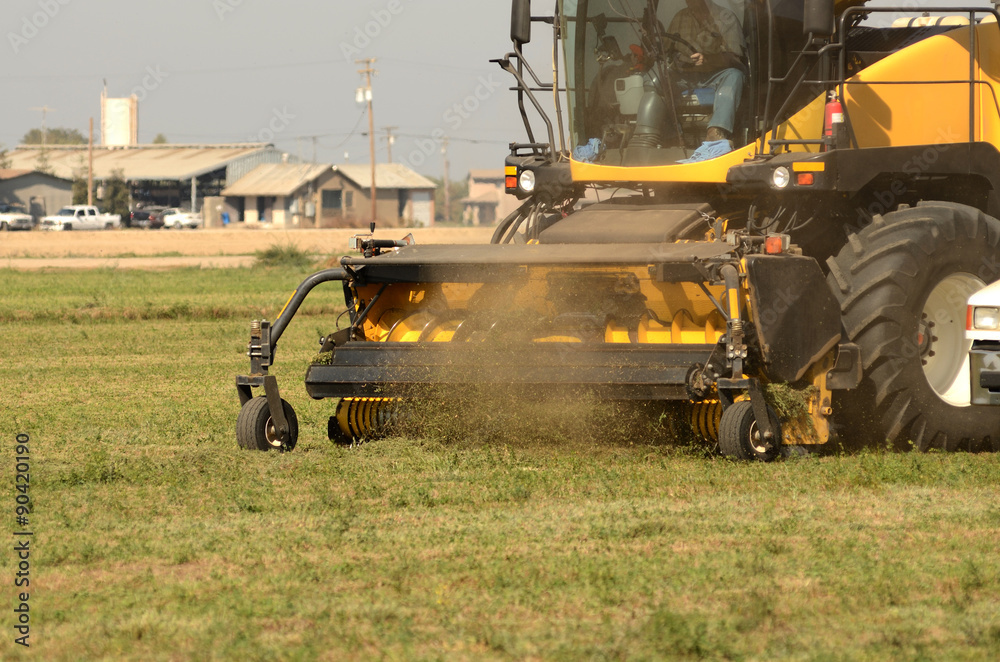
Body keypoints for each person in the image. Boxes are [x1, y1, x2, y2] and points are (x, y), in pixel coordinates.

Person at [629, 0, 746, 162]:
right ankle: (650, 138)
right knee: (655, 78)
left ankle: (716, 136)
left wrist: (707, 60)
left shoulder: (727, 18)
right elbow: (665, 51)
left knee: (735, 75)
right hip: (685, 76)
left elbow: (734, 58)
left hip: (716, 75)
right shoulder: (679, 18)